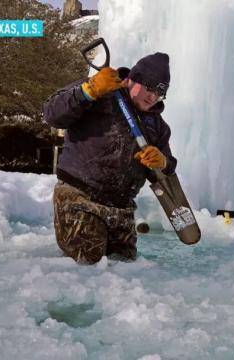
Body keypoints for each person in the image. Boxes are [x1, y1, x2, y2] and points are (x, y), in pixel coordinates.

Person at [43, 53, 177, 264]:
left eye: (160, 93)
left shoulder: (158, 127)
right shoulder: (100, 89)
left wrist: (163, 162)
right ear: (133, 78)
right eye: (149, 88)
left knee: (126, 274)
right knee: (87, 268)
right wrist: (87, 92)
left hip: (122, 210)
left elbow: (166, 170)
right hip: (80, 199)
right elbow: (51, 114)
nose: (152, 97)